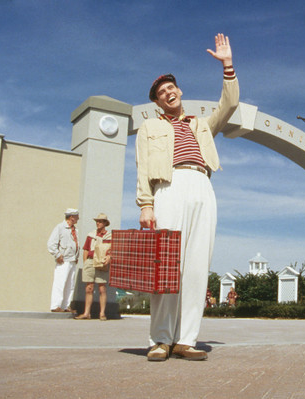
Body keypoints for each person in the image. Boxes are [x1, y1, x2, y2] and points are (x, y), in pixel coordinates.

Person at [137, 33, 239, 362]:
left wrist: (227, 65)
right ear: (157, 102)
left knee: (197, 266)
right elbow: (142, 169)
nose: (168, 94)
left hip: (202, 183)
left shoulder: (201, 125)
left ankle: (186, 339)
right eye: (161, 93)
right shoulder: (149, 128)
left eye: (171, 88)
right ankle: (160, 339)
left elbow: (230, 104)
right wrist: (146, 204)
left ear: (179, 91)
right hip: (169, 185)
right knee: (168, 265)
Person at [75, 213, 112, 321]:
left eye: (100, 221)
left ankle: (102, 313)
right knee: (89, 288)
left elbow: (112, 250)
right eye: (97, 221)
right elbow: (86, 249)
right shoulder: (91, 235)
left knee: (102, 288)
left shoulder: (109, 236)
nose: (98, 223)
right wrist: (85, 262)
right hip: (90, 261)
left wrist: (109, 258)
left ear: (105, 223)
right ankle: (86, 313)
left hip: (101, 262)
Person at [47, 208, 80, 313]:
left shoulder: (75, 230)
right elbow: (51, 243)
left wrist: (76, 256)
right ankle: (55, 305)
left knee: (70, 285)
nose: (78, 218)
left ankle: (65, 306)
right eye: (76, 216)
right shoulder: (60, 228)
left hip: (72, 260)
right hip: (63, 260)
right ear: (71, 217)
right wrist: (57, 255)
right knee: (60, 283)